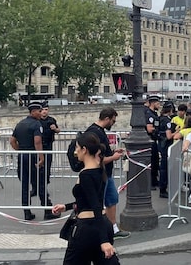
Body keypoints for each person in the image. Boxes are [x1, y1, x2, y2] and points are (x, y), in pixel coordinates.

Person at [51, 132, 119, 265]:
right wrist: (67, 207)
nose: (76, 152)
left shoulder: (86, 175)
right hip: (103, 224)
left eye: (77, 148)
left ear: (84, 150)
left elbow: (95, 205)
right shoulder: (100, 170)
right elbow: (89, 199)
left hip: (87, 228)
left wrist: (104, 241)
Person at [85, 107, 130, 239]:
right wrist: (113, 157)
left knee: (111, 199)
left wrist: (113, 152)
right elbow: (96, 159)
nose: (113, 124)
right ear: (106, 119)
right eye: (113, 121)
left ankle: (113, 228)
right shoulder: (95, 133)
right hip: (100, 173)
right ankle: (102, 230)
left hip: (106, 173)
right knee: (101, 202)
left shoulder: (98, 131)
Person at [10, 102, 49, 221]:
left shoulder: (20, 124)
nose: (41, 113)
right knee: (40, 183)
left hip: (23, 156)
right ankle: (47, 210)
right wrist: (41, 157)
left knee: (25, 185)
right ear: (33, 112)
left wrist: (20, 150)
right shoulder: (36, 124)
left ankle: (27, 212)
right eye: (39, 111)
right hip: (33, 156)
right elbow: (37, 142)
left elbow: (12, 141)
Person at [35, 102, 61, 195]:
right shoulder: (37, 121)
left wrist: (55, 129)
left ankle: (44, 188)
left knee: (47, 168)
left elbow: (58, 130)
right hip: (38, 147)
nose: (44, 112)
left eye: (46, 110)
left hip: (48, 146)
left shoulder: (51, 120)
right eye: (42, 110)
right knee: (37, 168)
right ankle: (35, 188)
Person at [156, 103, 176, 199]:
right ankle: (163, 189)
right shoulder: (167, 121)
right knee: (164, 168)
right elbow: (169, 136)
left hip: (160, 144)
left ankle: (162, 187)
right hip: (166, 146)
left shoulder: (159, 119)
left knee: (162, 167)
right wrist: (176, 132)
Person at [145, 95, 161, 190]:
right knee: (152, 162)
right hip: (150, 140)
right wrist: (158, 131)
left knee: (155, 161)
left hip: (154, 140)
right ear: (153, 103)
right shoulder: (149, 114)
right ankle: (151, 182)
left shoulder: (154, 114)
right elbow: (149, 129)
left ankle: (154, 180)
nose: (159, 105)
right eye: (158, 103)